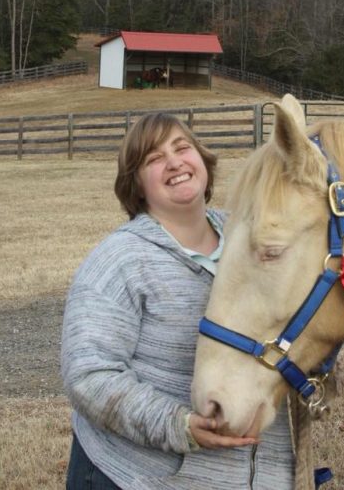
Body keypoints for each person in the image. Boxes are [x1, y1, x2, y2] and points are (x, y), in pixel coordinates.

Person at [61, 111, 296, 489]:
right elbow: (89, 374)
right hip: (135, 476)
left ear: (202, 159)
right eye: (153, 159)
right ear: (136, 186)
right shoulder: (118, 261)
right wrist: (179, 425)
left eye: (182, 148)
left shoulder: (255, 243)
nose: (173, 162)